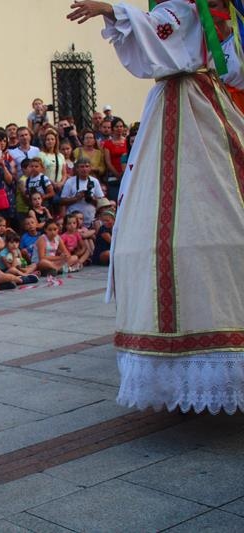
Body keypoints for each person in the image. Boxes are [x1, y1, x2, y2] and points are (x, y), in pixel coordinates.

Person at [69, 0, 244, 413]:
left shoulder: (194, 11)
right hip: (195, 103)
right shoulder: (197, 11)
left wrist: (111, 10)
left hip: (195, 104)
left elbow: (157, 31)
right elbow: (161, 31)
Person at [60, 157, 105, 227]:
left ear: (90, 168)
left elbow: (102, 201)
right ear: (77, 168)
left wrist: (92, 199)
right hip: (73, 222)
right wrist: (76, 198)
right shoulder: (70, 181)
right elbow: (62, 201)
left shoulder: (94, 181)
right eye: (82, 167)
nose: (84, 169)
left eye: (87, 166)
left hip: (91, 219)